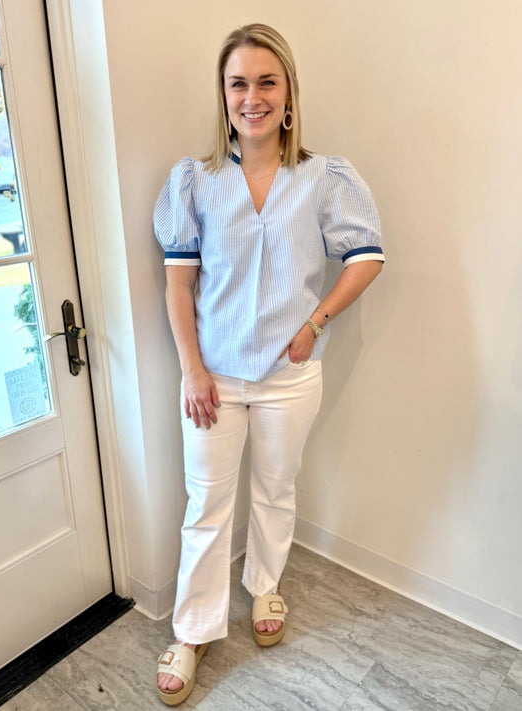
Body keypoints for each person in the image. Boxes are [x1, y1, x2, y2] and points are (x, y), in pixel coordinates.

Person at [153, 23, 384, 706]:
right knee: (205, 503)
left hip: (289, 377)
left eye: (265, 82)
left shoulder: (322, 178)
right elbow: (178, 282)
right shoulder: (194, 180)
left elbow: (367, 255)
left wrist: (315, 323)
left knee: (275, 490)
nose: (250, 97)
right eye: (237, 83)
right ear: (222, 95)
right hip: (214, 376)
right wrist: (192, 369)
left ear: (287, 94)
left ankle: (264, 586)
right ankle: (192, 630)